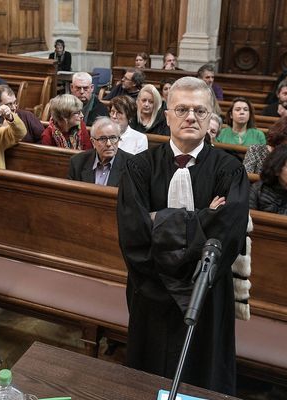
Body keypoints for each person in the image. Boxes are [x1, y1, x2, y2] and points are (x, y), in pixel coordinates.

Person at [117, 76, 249, 395]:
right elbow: (133, 232)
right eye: (182, 108)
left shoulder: (230, 171)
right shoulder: (138, 168)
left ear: (210, 118)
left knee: (200, 379)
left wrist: (160, 220)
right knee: (146, 380)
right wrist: (204, 216)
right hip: (151, 288)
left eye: (200, 111)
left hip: (206, 291)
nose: (191, 116)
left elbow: (225, 238)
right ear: (167, 116)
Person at [68, 117, 133, 186]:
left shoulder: (131, 165)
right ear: (93, 142)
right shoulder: (77, 162)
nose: (108, 144)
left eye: (113, 138)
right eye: (102, 139)